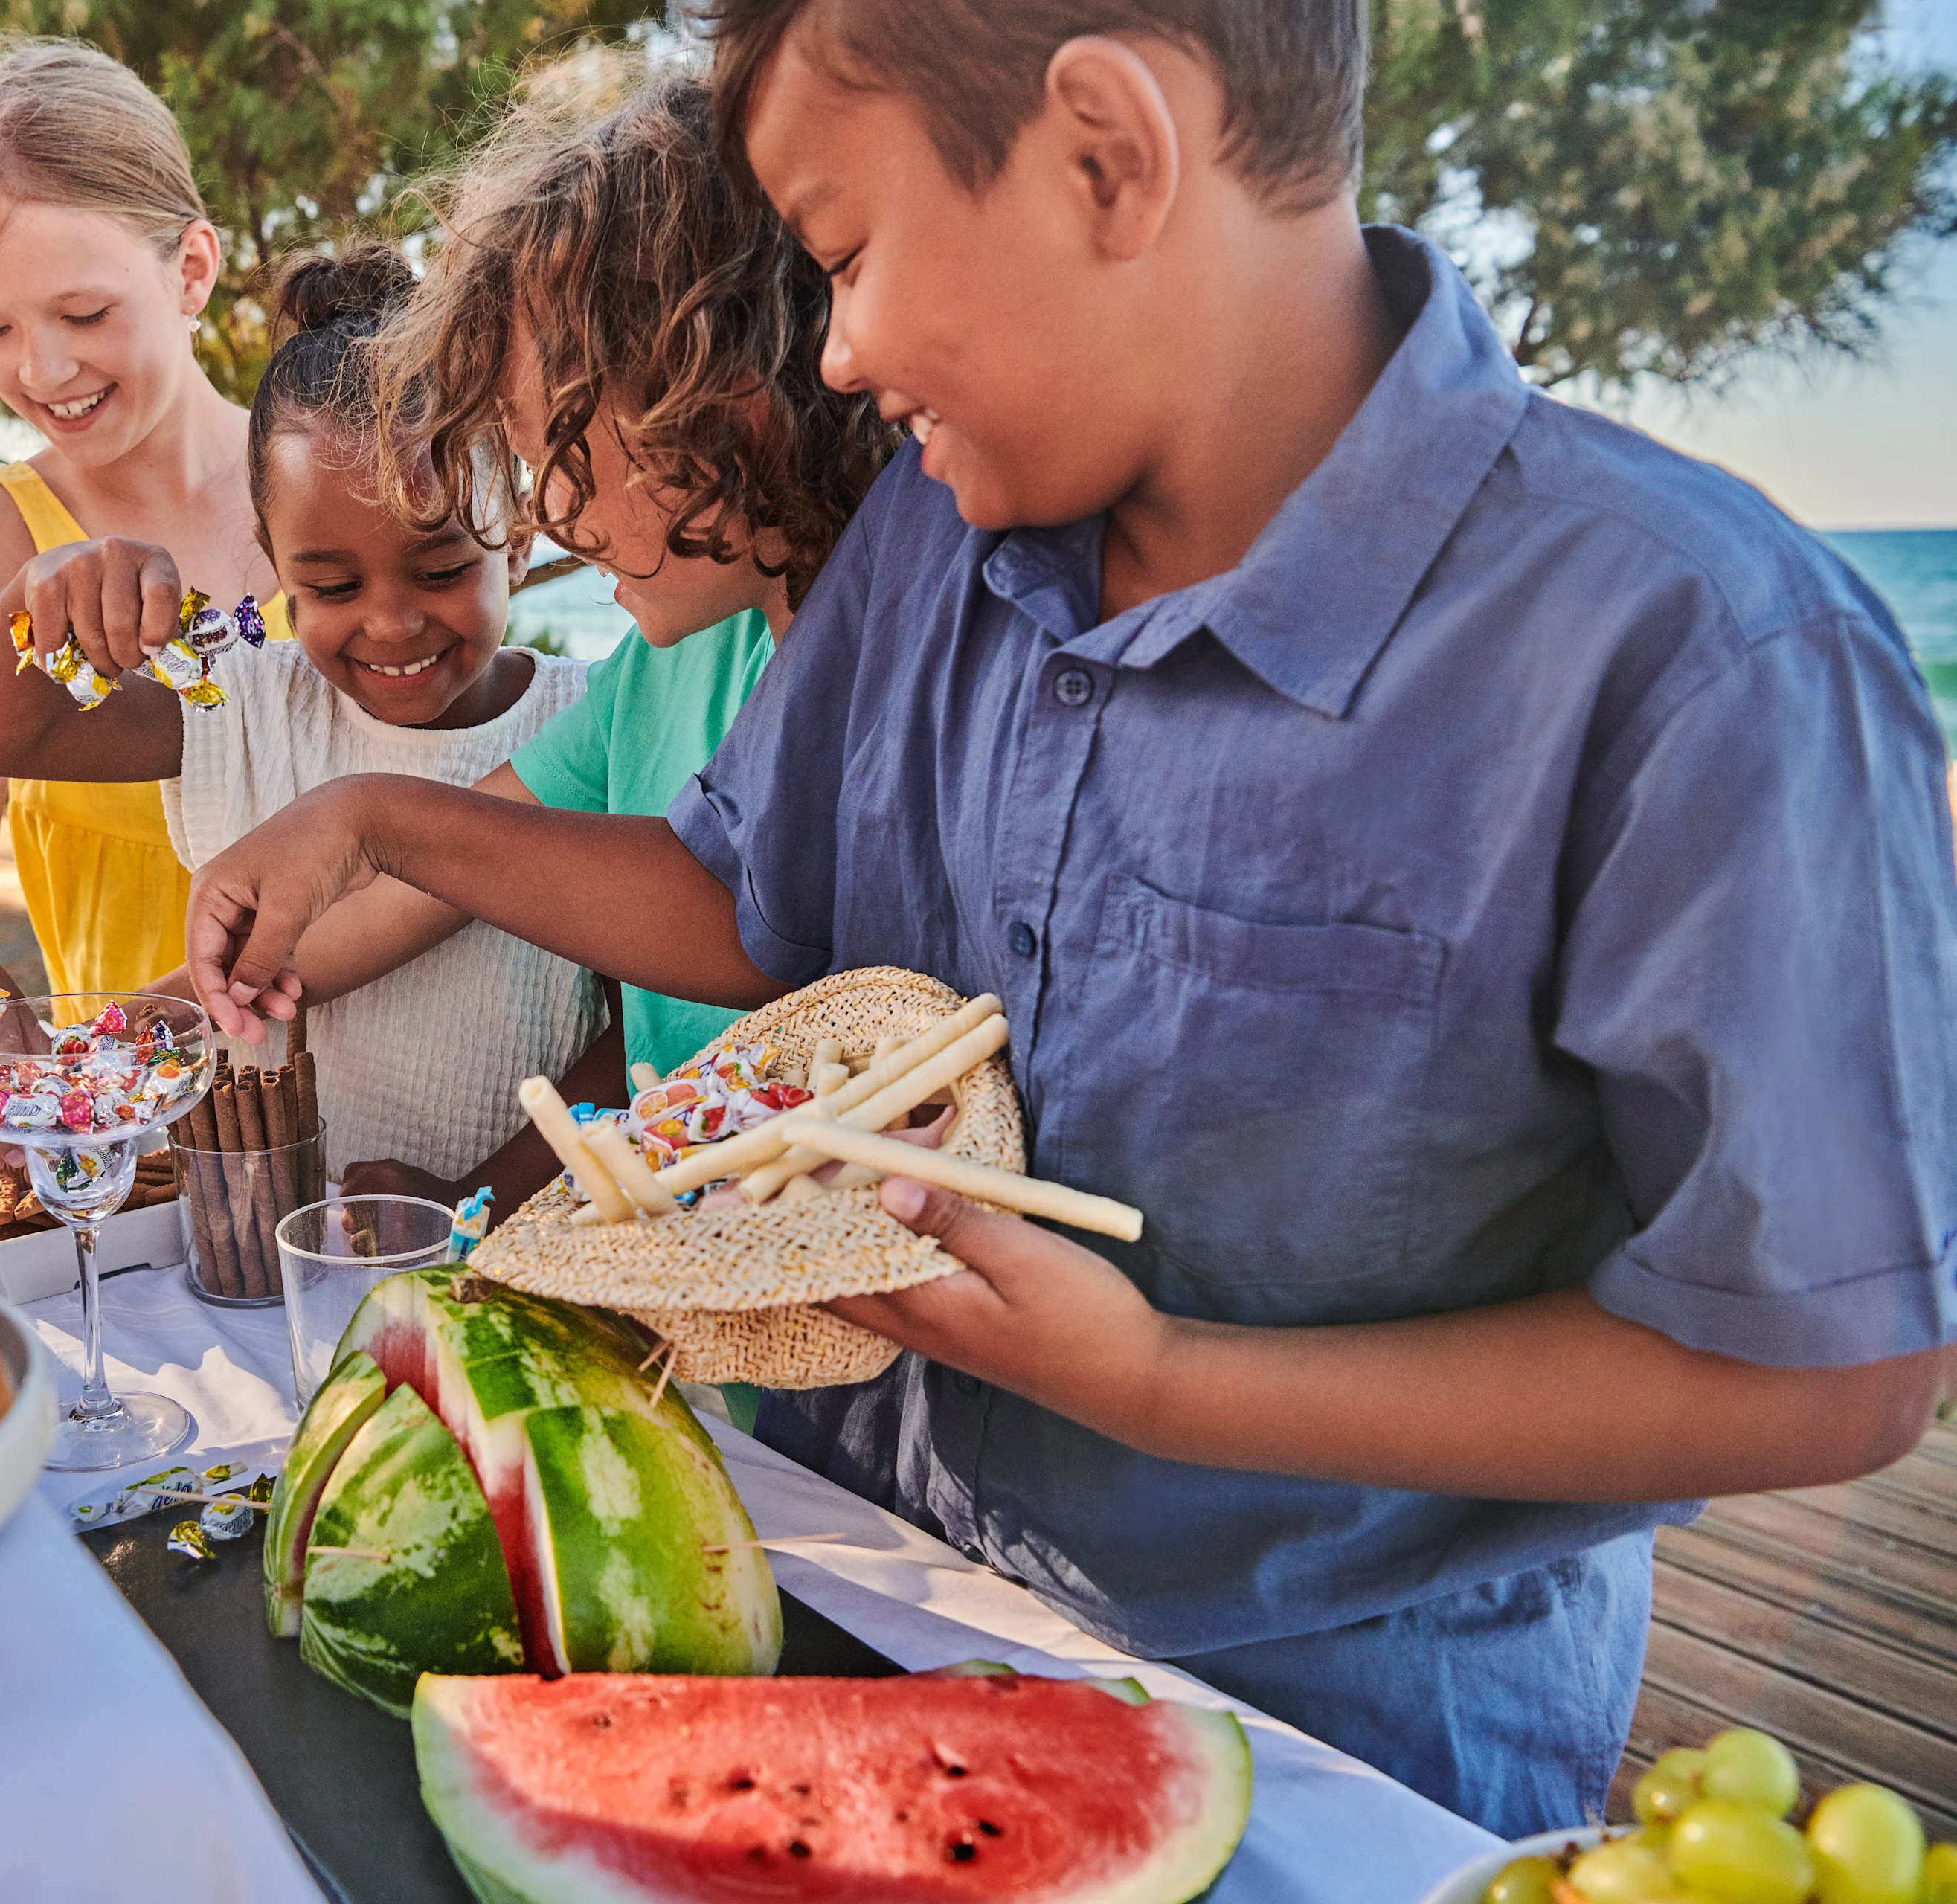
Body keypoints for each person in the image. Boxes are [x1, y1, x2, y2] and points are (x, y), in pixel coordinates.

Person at [177, 0, 1957, 1836]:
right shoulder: (930, 551)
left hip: (1328, 1732)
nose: (840, 349)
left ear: (1106, 149)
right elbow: (744, 890)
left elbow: (1827, 1367)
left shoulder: (1699, 656)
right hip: (853, 1587)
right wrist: (378, 818)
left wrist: (1170, 1382)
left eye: (847, 256)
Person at [242, 62, 896, 1220]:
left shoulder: (885, 658)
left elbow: (757, 926)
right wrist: (143, 1020)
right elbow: (411, 891)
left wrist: (365, 815)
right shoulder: (659, 667)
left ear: (703, 395)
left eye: (555, 456)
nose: (541, 516)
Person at [0, 247, 605, 1200]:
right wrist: (43, 597)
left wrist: (479, 1204)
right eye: (330, 585)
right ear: (272, 561)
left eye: (443, 570)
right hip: (243, 1269)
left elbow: (635, 1040)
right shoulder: (242, 701)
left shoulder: (590, 722)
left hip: (506, 1256)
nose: (392, 623)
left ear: (521, 538)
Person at [0, 36, 281, 1006]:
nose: (43, 372)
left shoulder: (333, 484)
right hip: (131, 1128)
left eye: (85, 313)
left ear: (191, 269)